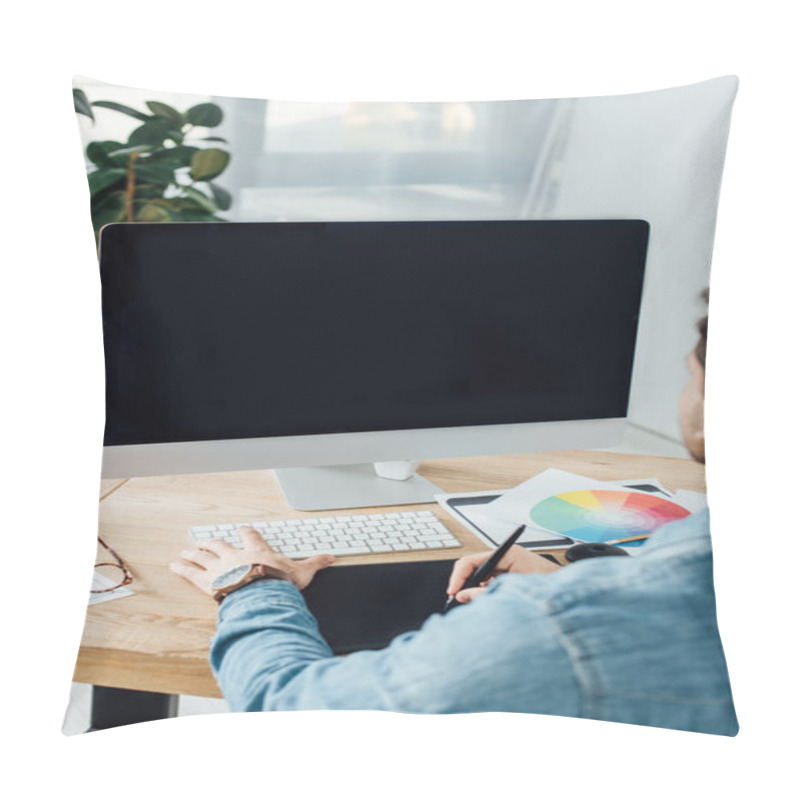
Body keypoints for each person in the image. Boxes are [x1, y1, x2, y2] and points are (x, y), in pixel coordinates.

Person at [170, 295, 738, 734]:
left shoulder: (553, 632)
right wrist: (572, 580)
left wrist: (251, 585)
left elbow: (291, 711)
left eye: (692, 378)